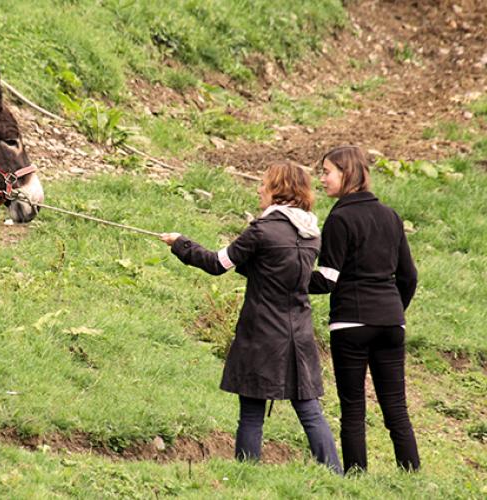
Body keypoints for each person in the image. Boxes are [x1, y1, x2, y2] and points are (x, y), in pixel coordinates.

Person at [160, 163, 342, 474]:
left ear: (278, 190)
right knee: (310, 410)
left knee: (252, 413)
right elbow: (316, 281)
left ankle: (247, 477)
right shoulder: (312, 234)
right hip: (299, 334)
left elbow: (217, 263)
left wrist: (180, 243)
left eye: (264, 184)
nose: (259, 189)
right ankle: (335, 475)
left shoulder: (261, 230)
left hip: (261, 334)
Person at [310, 145, 420, 474]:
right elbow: (409, 276)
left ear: (347, 174)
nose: (322, 179)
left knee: (354, 408)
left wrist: (285, 280)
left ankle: (357, 477)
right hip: (390, 322)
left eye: (327, 172)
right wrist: (392, 310)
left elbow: (327, 279)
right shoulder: (390, 216)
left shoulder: (340, 218)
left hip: (351, 322)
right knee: (396, 407)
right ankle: (411, 475)